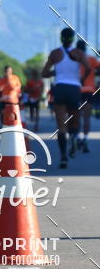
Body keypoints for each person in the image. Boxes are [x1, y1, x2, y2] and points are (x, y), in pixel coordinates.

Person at [42, 28, 89, 168]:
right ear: (73, 39)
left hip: (60, 87)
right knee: (75, 120)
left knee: (61, 126)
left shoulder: (55, 53)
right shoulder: (79, 53)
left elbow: (44, 73)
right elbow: (88, 68)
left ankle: (63, 157)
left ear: (61, 38)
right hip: (74, 88)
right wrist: (81, 79)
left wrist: (54, 72)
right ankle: (74, 136)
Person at [76, 40, 99, 152]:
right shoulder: (91, 59)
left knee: (76, 115)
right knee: (86, 117)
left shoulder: (73, 60)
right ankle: (85, 139)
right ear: (85, 48)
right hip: (89, 91)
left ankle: (77, 137)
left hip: (76, 90)